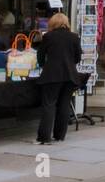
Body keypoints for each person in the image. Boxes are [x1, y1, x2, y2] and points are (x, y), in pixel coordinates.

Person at [34, 12, 83, 146]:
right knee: (64, 104)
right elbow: (78, 57)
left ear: (52, 23)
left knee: (49, 105)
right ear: (66, 23)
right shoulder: (74, 37)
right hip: (70, 76)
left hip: (52, 75)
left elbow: (40, 56)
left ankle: (44, 137)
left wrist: (45, 66)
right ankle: (60, 135)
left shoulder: (48, 36)